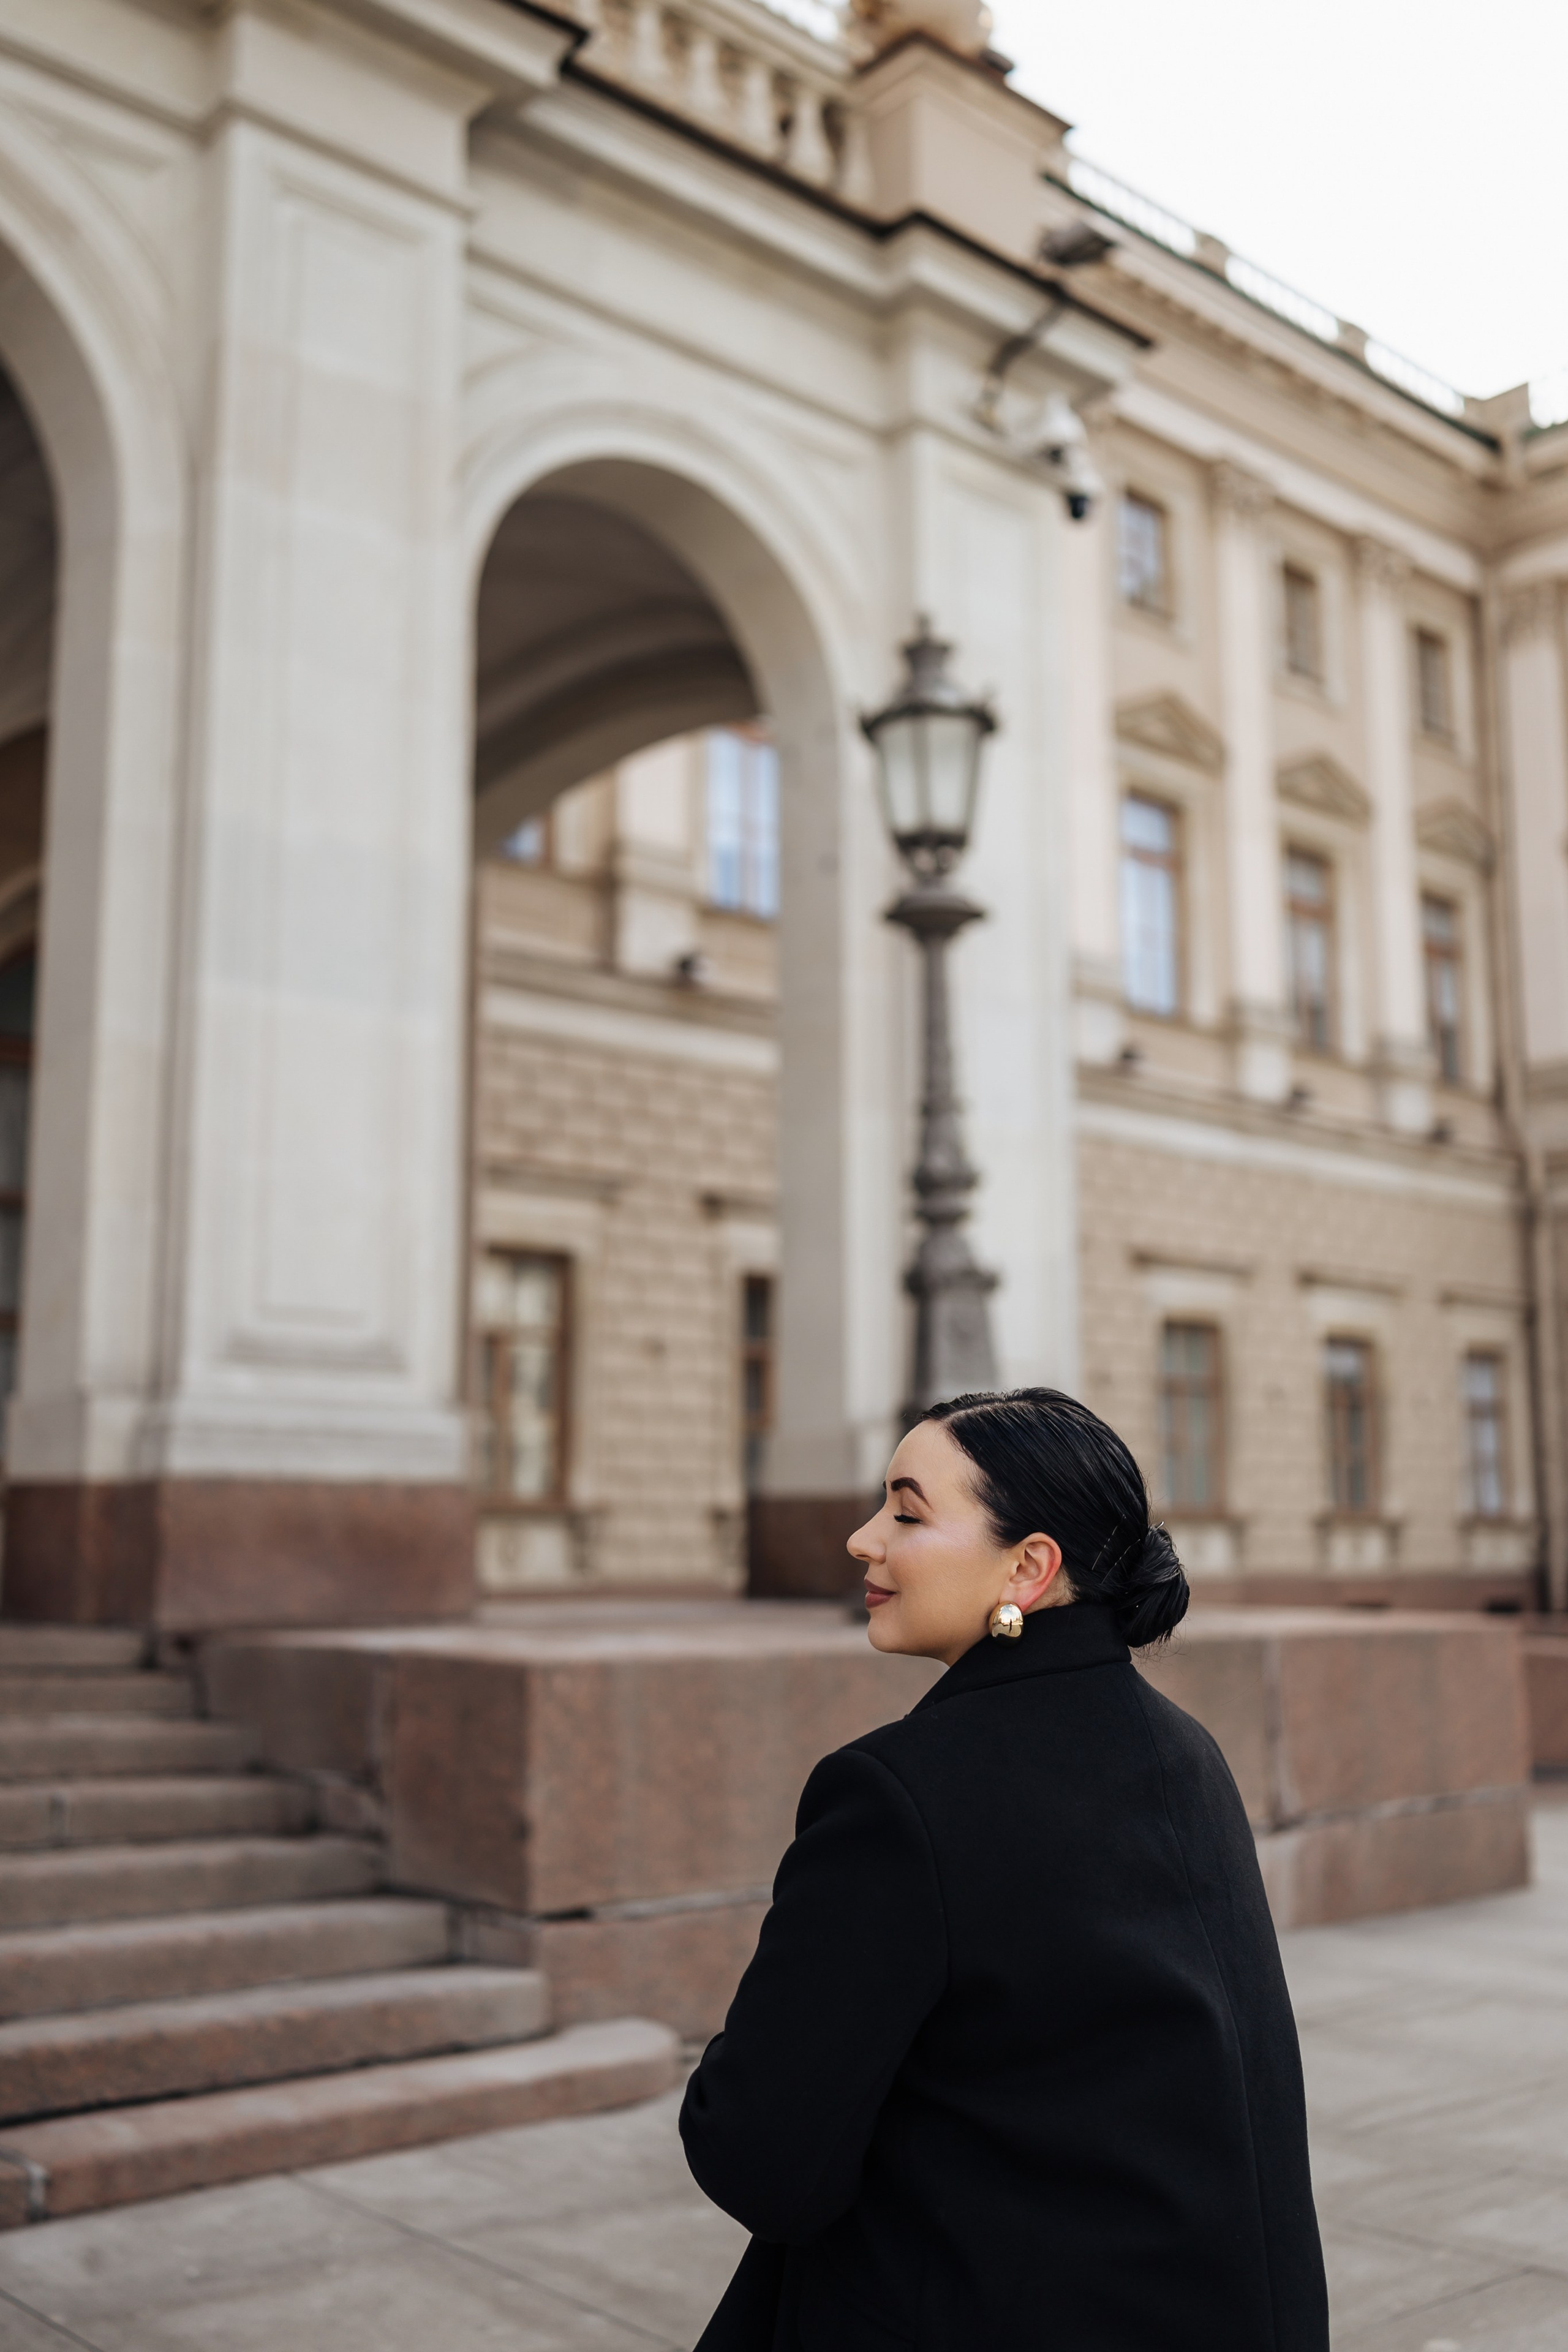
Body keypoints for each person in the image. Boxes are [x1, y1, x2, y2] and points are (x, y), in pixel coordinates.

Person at [680, 1386, 1328, 2351]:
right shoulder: (1184, 1749)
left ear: (1029, 1567)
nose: (865, 1539)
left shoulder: (898, 1795)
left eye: (906, 1512)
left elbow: (762, 2159)